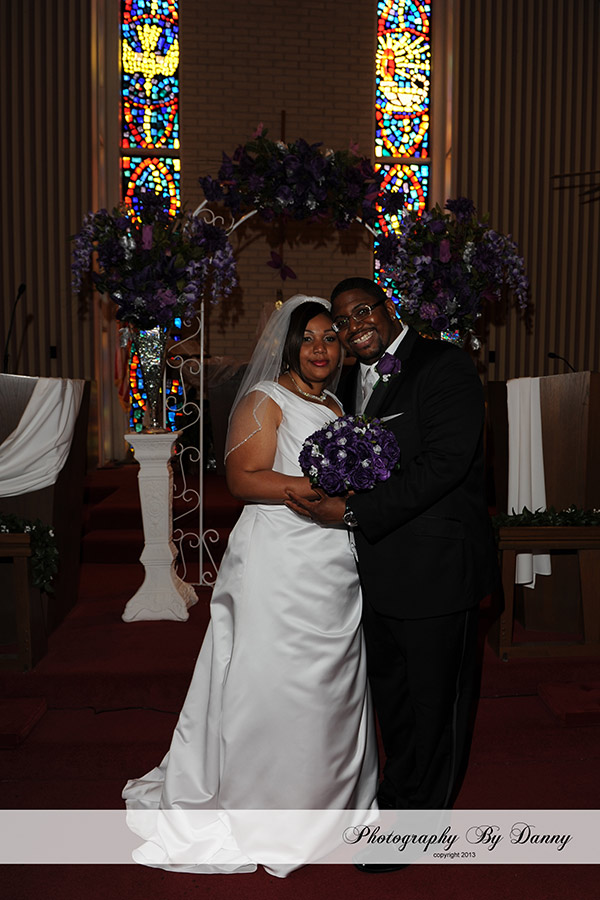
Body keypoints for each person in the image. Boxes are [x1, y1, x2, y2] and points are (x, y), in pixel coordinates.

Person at [123, 294, 378, 877]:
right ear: (288, 346)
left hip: (332, 562)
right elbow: (243, 479)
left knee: (329, 685)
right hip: (278, 562)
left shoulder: (336, 404)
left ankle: (328, 804)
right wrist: (325, 485)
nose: (320, 349)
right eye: (307, 339)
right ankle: (262, 807)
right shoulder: (266, 399)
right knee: (272, 682)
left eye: (329, 338)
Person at [286, 277, 497, 871]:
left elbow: (445, 464)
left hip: (437, 569)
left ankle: (419, 828)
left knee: (435, 707)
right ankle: (396, 801)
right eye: (342, 321)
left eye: (362, 312)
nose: (353, 328)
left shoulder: (443, 365)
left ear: (388, 307)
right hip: (377, 570)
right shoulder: (350, 380)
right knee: (396, 702)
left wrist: (353, 512)